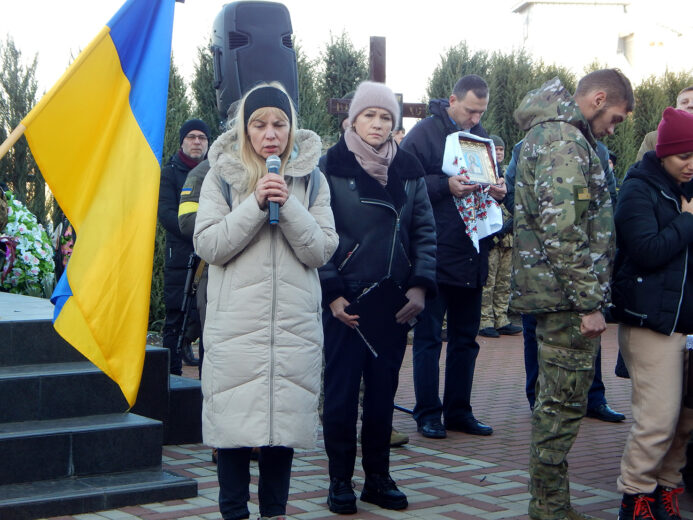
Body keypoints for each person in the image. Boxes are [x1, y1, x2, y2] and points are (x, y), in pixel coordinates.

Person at [192, 82, 338, 520]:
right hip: (236, 329)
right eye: (260, 124)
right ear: (245, 129)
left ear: (291, 129)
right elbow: (209, 245)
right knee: (234, 435)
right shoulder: (220, 177)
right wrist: (256, 203)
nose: (270, 133)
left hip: (292, 331)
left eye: (280, 123)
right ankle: (233, 513)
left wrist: (287, 204)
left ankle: (275, 513)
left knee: (280, 435)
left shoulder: (312, 180)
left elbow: (321, 250)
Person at [511, 69, 634, 520]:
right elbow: (562, 231)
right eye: (616, 118)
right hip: (566, 300)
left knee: (556, 403)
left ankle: (550, 503)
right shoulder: (566, 142)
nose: (613, 128)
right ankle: (550, 508)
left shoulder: (555, 136)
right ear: (598, 99)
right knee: (561, 406)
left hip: (558, 294)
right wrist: (588, 301)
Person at [319, 81, 436, 515]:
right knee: (341, 395)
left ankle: (378, 478)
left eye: (386, 117)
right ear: (352, 118)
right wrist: (332, 293)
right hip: (346, 303)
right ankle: (339, 480)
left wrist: (420, 286)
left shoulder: (409, 169)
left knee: (383, 394)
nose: (378, 124)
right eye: (370, 115)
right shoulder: (328, 167)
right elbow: (317, 237)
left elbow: (425, 231)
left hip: (393, 301)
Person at [400, 74, 506, 440]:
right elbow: (402, 182)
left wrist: (499, 189)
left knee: (466, 340)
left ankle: (459, 410)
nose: (476, 119)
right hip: (434, 252)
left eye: (481, 112)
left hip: (472, 252)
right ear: (452, 100)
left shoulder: (481, 138)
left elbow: (490, 181)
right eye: (471, 110)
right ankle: (428, 413)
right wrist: (444, 185)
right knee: (429, 339)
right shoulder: (425, 134)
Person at [506, 138, 625, 422]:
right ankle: (538, 399)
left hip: (581, 256)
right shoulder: (526, 147)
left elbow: (608, 198)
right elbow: (512, 194)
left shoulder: (596, 148)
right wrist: (542, 219)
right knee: (535, 331)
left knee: (589, 326)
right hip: (537, 260)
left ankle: (593, 398)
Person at [612, 107, 693, 520]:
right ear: (663, 153)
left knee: (685, 422)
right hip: (652, 324)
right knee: (658, 419)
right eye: (684, 155)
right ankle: (636, 497)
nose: (691, 164)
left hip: (689, 324)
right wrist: (688, 222)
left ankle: (666, 490)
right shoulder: (639, 189)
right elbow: (646, 251)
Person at [158, 118, 210, 374]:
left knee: (206, 323)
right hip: (180, 258)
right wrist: (201, 231)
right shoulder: (169, 172)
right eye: (192, 137)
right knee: (176, 321)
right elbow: (166, 213)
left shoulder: (216, 172)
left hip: (210, 258)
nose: (197, 142)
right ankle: (171, 379)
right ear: (182, 141)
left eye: (202, 137)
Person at [478, 134, 522, 338]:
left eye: (501, 150)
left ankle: (501, 318)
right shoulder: (483, 173)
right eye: (495, 149)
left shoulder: (508, 174)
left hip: (508, 237)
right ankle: (485, 320)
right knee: (489, 281)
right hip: (492, 238)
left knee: (504, 281)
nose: (499, 153)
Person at [636, 86, 693, 161]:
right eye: (684, 102)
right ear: (676, 108)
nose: (691, 105)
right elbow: (640, 170)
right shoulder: (652, 139)